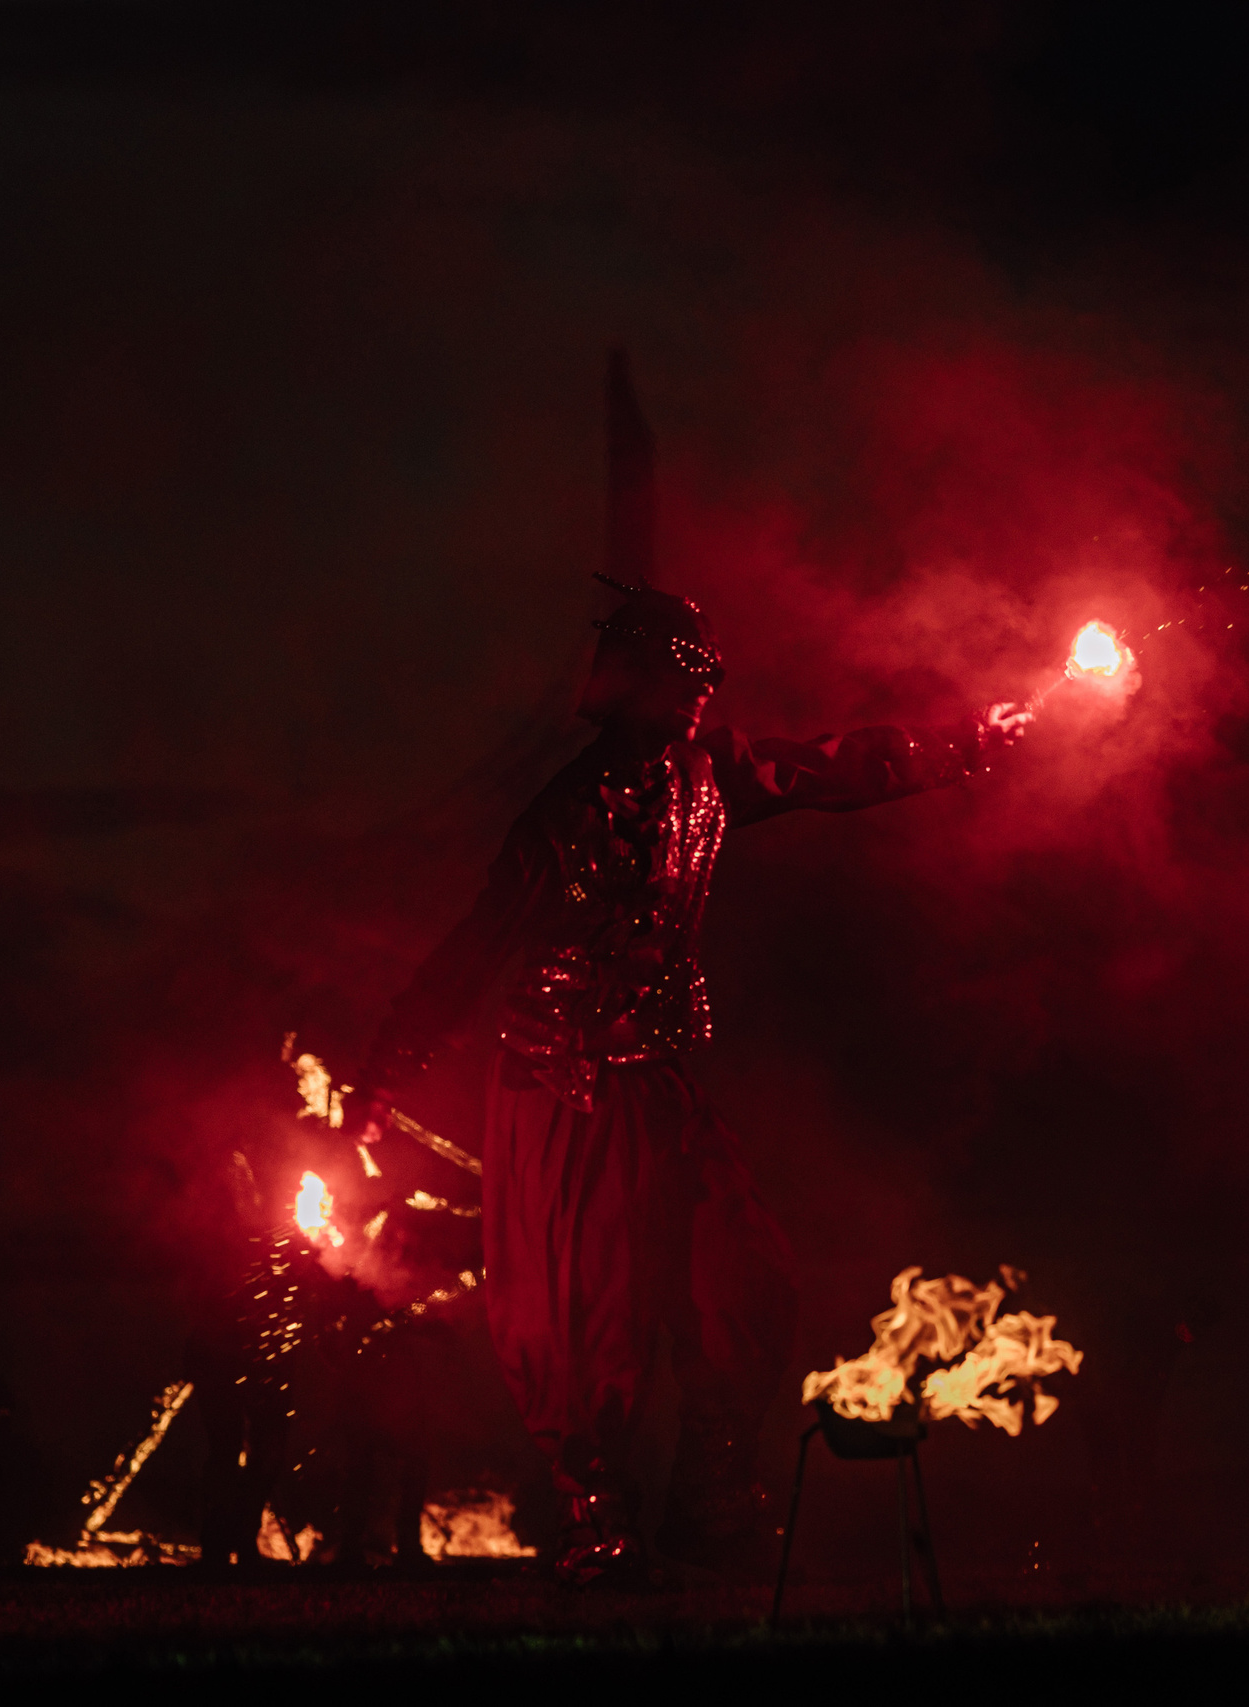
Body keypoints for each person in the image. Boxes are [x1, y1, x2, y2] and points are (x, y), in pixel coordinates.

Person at [346, 362, 1028, 1582]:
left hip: (660, 1076)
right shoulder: (560, 816)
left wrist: (969, 742)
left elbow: (833, 767)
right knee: (583, 1321)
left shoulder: (709, 782)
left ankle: (713, 1487)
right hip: (559, 1091)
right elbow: (475, 948)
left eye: (706, 670)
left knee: (738, 1281)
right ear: (641, 682)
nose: (707, 686)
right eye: (687, 669)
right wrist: (384, 1070)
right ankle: (596, 1514)